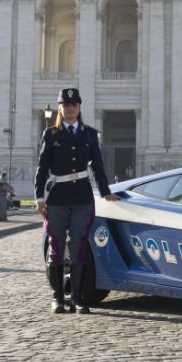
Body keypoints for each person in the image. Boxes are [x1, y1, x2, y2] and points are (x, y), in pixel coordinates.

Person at [36, 87, 120, 314]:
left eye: (73, 105)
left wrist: (105, 192)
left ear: (79, 107)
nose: (70, 108)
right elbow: (42, 168)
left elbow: (98, 167)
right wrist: (39, 198)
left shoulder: (90, 134)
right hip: (57, 198)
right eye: (65, 105)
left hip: (82, 196)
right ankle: (57, 298)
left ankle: (77, 297)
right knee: (56, 247)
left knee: (78, 247)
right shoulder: (51, 135)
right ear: (60, 109)